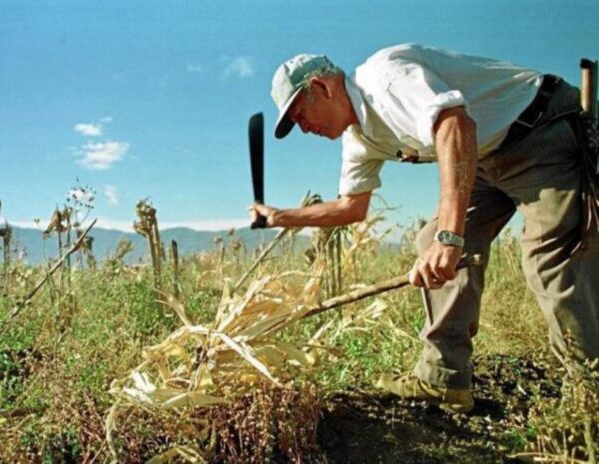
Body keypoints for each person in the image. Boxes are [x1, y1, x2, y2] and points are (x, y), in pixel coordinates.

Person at [250, 44, 599, 413]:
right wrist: (278, 217)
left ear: (321, 87)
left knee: (551, 261)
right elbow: (351, 207)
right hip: (483, 155)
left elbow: (455, 124)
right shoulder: (359, 139)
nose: (304, 129)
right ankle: (444, 379)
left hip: (538, 130)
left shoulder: (384, 81)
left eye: (300, 115)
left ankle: (589, 396)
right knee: (428, 241)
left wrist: (450, 237)